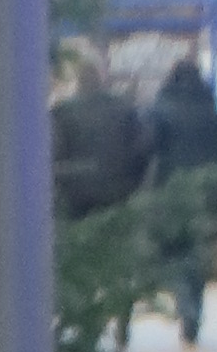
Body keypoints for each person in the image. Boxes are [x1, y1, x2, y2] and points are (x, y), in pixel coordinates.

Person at [147, 51, 217, 345]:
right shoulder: (213, 114)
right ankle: (194, 304)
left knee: (174, 249)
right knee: (199, 251)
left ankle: (184, 302)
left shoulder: (160, 110)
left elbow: (150, 150)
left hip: (171, 191)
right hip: (208, 191)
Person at [51, 56, 150, 225]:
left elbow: (56, 154)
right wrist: (133, 181)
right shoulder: (123, 107)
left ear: (79, 82)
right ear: (100, 80)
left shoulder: (62, 112)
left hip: (78, 195)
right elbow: (142, 147)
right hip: (118, 191)